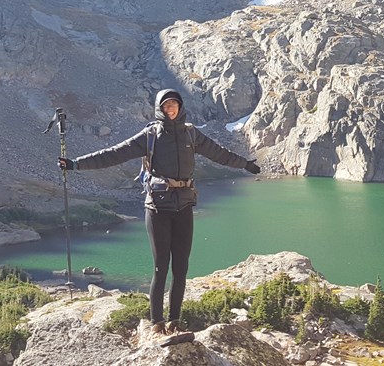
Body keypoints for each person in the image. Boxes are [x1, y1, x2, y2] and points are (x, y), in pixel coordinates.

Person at [58, 88, 260, 345]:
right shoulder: (150, 135)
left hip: (184, 205)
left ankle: (174, 322)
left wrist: (244, 163)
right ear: (159, 108)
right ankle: (156, 324)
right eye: (166, 105)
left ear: (180, 106)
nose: (171, 108)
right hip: (157, 207)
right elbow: (114, 153)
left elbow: (218, 152)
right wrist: (76, 164)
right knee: (160, 266)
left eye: (174, 104)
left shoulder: (191, 133)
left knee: (181, 267)